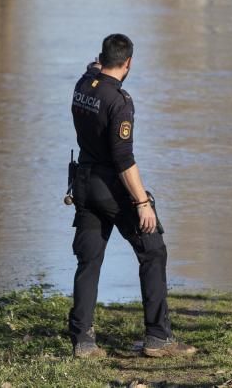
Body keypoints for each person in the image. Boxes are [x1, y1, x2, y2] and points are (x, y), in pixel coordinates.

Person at [67, 34, 196, 359]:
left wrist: (96, 66)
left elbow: (90, 69)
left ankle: (83, 340)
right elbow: (124, 159)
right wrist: (142, 203)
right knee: (153, 250)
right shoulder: (120, 102)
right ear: (128, 64)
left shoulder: (84, 86)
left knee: (89, 260)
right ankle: (158, 337)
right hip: (111, 187)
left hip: (83, 182)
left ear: (101, 58)